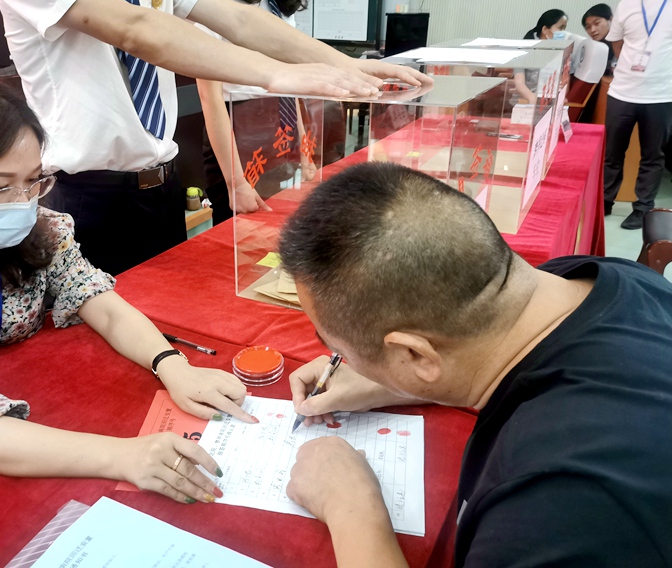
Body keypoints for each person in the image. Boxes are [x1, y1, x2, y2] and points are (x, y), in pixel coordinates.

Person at [0, 73, 258, 502]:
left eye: (34, 181)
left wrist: (173, 366)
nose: (22, 202)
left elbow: (98, 300)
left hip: (27, 414)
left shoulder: (41, 231)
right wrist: (123, 456)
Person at [278, 162, 672, 567]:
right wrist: (389, 383)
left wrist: (350, 507)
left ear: (416, 355)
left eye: (337, 350)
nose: (341, 362)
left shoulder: (555, 508)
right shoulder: (589, 281)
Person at [0, 0, 431, 275]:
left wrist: (347, 65)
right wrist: (275, 73)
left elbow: (237, 19)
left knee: (172, 322)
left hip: (162, 186)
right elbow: (135, 28)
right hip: (87, 196)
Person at [195, 0, 307, 225]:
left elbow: (291, 77)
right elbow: (209, 94)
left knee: (282, 228)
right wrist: (236, 182)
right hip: (237, 133)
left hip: (281, 128)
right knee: (242, 235)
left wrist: (304, 148)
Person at [603, 0, 672, 228]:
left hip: (662, 95)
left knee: (652, 156)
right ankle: (605, 201)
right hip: (622, 92)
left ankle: (643, 209)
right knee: (612, 153)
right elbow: (617, 43)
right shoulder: (627, 4)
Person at [515, 9, 568, 103]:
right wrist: (533, 100)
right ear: (545, 30)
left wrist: (559, 98)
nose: (563, 32)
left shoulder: (558, 51)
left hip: (548, 100)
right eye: (560, 28)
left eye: (565, 28)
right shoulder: (524, 50)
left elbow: (560, 81)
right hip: (526, 100)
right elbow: (519, 84)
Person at [582, 3, 617, 76]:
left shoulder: (621, 45)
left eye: (597, 23)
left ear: (611, 20)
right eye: (588, 27)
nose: (592, 30)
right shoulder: (593, 48)